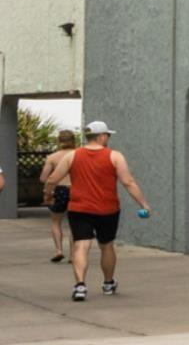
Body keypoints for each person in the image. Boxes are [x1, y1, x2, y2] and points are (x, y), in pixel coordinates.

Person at [65, 121, 149, 302]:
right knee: (106, 245)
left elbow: (53, 177)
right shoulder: (115, 156)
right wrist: (143, 204)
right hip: (107, 209)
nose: (108, 138)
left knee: (81, 245)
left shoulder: (72, 156)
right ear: (102, 136)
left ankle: (80, 286)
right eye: (108, 135)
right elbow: (128, 182)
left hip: (79, 208)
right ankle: (108, 283)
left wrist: (48, 193)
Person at [39, 130, 78, 264]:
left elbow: (44, 177)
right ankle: (73, 255)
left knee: (56, 222)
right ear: (74, 140)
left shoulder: (53, 157)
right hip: (75, 189)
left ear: (59, 141)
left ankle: (59, 251)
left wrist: (48, 190)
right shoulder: (79, 154)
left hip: (59, 190)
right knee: (74, 223)